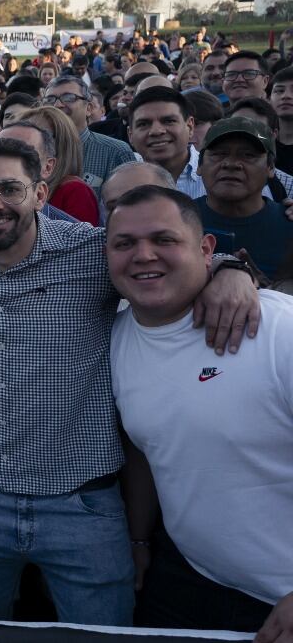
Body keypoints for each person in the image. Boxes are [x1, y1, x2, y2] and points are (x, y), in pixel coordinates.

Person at [0, 136, 259, 625]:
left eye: (9, 189)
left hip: (81, 503)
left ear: (41, 194)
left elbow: (167, 262)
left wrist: (231, 269)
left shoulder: (89, 251)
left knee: (102, 633)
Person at [106, 186, 293, 632]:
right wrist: (137, 538)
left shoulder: (277, 330)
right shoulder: (114, 337)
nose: (144, 255)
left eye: (164, 240)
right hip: (190, 578)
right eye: (124, 244)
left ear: (207, 248)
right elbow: (149, 448)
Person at [195, 117, 293, 278]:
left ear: (271, 168)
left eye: (248, 155)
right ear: (199, 165)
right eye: (219, 154)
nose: (231, 164)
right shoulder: (177, 221)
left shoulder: (289, 226)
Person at [44, 76, 136, 191]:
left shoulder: (115, 152)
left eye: (68, 98)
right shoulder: (34, 151)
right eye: (49, 100)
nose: (57, 105)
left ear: (89, 108)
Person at [13, 108, 101, 225]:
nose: (26, 141)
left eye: (41, 134)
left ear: (61, 144)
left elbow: (82, 241)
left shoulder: (75, 190)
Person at [128, 86, 205, 198]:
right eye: (143, 124)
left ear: (190, 126)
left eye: (169, 121)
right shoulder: (121, 182)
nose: (156, 131)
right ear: (130, 135)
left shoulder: (214, 174)